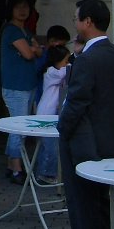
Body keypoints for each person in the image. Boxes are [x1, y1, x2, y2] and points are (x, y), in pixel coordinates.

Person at [56, 0, 114, 229]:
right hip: (107, 136)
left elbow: (77, 101)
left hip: (84, 141)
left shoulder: (88, 59)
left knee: (83, 203)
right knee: (101, 202)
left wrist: (63, 128)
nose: (75, 24)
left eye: (77, 19)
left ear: (88, 22)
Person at [0, 0, 43, 184]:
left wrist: (33, 49)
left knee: (19, 126)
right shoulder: (12, 30)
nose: (22, 10)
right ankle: (16, 168)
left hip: (27, 84)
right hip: (16, 86)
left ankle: (12, 164)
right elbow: (29, 54)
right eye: (18, 7)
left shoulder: (25, 30)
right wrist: (33, 49)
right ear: (11, 9)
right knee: (18, 127)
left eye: (25, 7)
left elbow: (38, 51)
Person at [34, 44, 71, 183]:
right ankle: (47, 173)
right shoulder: (51, 72)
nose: (67, 63)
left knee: (47, 146)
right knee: (50, 147)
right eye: (66, 61)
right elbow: (65, 73)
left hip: (50, 114)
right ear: (57, 60)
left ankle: (43, 172)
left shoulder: (54, 71)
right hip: (45, 115)